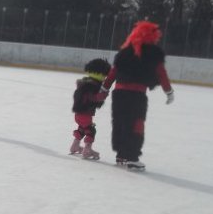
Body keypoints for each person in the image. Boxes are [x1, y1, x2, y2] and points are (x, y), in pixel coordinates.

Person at [102, 21, 175, 171]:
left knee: (120, 122)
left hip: (119, 94)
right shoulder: (153, 53)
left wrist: (104, 88)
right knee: (136, 123)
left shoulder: (124, 52)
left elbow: (113, 72)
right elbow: (161, 73)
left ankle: (121, 154)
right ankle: (132, 157)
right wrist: (168, 91)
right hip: (137, 95)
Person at [69, 58, 112, 160]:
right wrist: (102, 96)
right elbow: (94, 99)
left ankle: (75, 146)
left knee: (82, 128)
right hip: (85, 113)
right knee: (90, 130)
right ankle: (87, 149)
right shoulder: (93, 85)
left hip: (78, 113)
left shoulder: (84, 82)